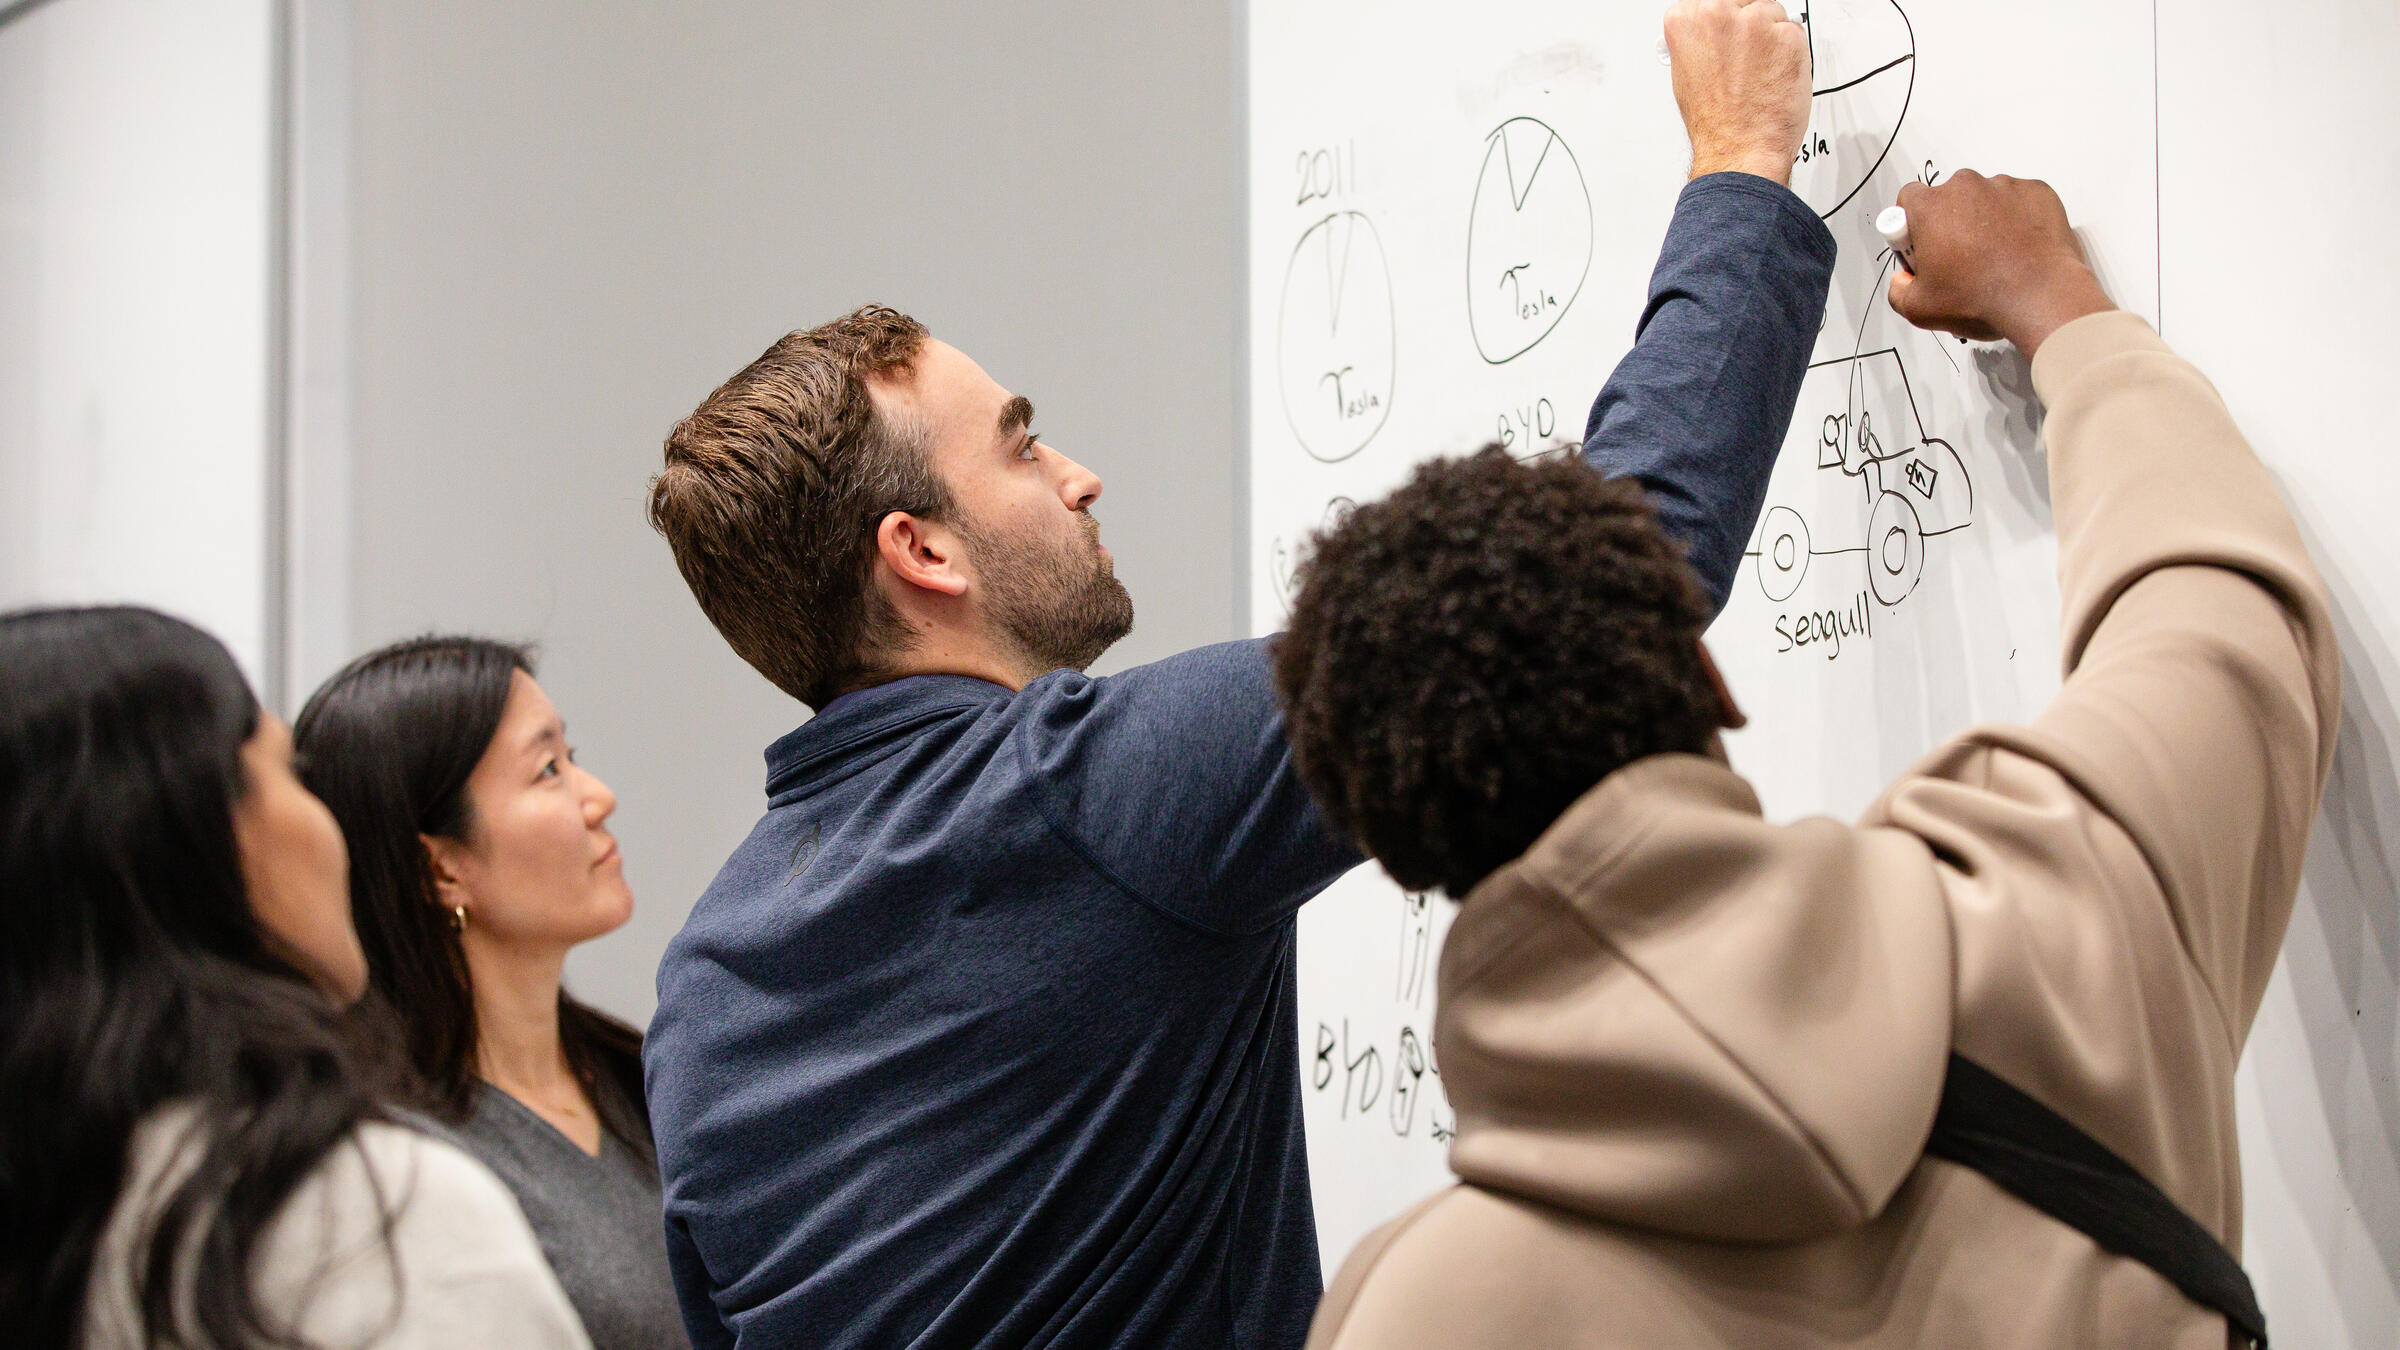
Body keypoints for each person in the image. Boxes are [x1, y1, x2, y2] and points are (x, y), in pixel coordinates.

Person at [640, 4, 1823, 1346]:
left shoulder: (700, 991)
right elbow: (1601, 577)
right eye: (1021, 447)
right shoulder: (1087, 794)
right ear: (921, 553)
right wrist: (1740, 160)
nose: (1078, 474)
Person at [1272, 170, 2339, 1347]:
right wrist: (2058, 304)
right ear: (1712, 681)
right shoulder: (2055, 914)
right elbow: (2219, 617)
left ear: (1401, 846)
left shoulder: (1418, 1314)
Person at [0, 605, 590, 1350]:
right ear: (202, 850)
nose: (329, 827)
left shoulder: (59, 1218)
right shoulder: (368, 1216)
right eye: (290, 774)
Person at [294, 637, 687, 1350]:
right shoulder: (400, 1158)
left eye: (571, 756)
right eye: (547, 771)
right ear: (440, 868)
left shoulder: (642, 1076)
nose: (599, 796)